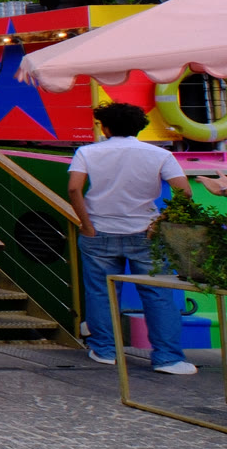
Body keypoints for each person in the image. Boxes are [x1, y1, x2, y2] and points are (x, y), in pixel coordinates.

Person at [68, 102, 227, 375]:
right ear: (139, 128)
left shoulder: (86, 152)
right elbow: (185, 193)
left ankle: (105, 351)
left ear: (105, 128)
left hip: (99, 232)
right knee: (158, 294)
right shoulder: (160, 154)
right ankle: (168, 358)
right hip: (147, 233)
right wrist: (160, 222)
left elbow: (74, 189)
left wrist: (87, 224)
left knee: (101, 293)